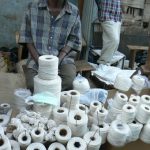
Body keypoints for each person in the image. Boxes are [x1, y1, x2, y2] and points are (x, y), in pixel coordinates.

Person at [19, 0, 82, 92]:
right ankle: (46, 97)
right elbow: (26, 37)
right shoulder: (32, 7)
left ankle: (52, 99)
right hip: (36, 57)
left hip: (63, 58)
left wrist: (58, 60)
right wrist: (40, 62)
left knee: (68, 81)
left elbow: (73, 39)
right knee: (32, 84)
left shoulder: (74, 11)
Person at [95, 0, 127, 65]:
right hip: (106, 16)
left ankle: (106, 63)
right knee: (114, 40)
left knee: (111, 42)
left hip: (117, 17)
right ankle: (103, 62)